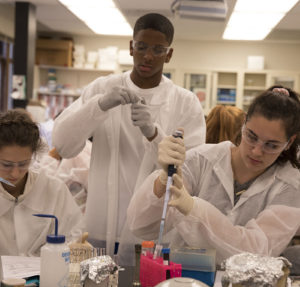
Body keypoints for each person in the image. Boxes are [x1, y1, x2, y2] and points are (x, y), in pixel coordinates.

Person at [52, 13, 206, 264]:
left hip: (155, 235)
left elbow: (190, 174)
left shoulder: (185, 103)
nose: (148, 56)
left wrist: (154, 134)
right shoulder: (102, 88)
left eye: (158, 50)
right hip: (101, 227)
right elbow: (64, 145)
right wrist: (99, 106)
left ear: (169, 54)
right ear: (131, 47)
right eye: (142, 47)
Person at [127, 86, 300, 265]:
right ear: (244, 122)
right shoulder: (201, 160)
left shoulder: (290, 186)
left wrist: (194, 209)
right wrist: (162, 181)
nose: (257, 151)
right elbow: (141, 226)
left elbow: (256, 252)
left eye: (271, 145)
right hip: (185, 283)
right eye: (251, 136)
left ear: (289, 142)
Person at [0, 109, 85, 256]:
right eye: (6, 165)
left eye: (23, 164)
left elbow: (74, 236)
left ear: (33, 155)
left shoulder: (53, 190)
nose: (15, 173)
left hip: (45, 276)